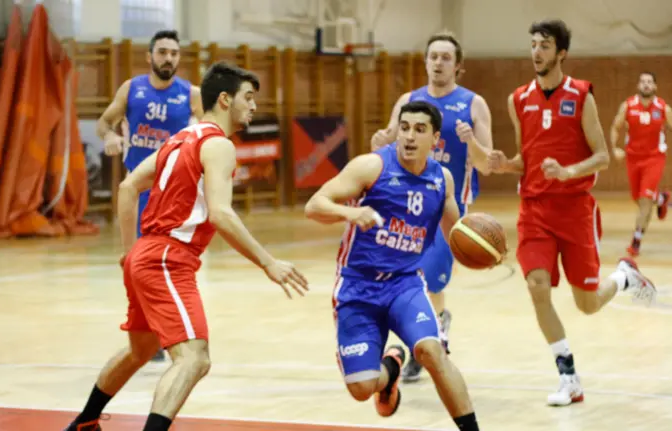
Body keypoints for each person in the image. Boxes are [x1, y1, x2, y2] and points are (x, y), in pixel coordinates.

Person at [64, 61, 309, 431]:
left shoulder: (178, 139)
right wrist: (268, 262)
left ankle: (84, 424)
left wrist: (128, 251)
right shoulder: (219, 145)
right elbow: (221, 215)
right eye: (248, 97)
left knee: (141, 350)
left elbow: (128, 188)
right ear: (225, 100)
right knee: (194, 358)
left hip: (146, 255)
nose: (254, 106)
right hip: (167, 258)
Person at [486, 20, 658, 407]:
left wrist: (568, 172)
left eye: (544, 45)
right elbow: (526, 160)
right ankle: (569, 377)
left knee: (588, 304)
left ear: (561, 52)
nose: (536, 52)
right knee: (537, 287)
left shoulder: (581, 95)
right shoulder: (518, 99)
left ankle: (624, 278)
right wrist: (504, 164)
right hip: (534, 210)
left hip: (574, 210)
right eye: (532, 44)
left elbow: (603, 155)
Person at [305, 101, 480, 430]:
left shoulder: (442, 180)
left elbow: (458, 235)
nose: (410, 136)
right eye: (404, 127)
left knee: (432, 351)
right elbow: (314, 205)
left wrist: (483, 249)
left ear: (435, 139)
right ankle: (389, 372)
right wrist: (350, 213)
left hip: (405, 285)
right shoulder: (371, 167)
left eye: (420, 129)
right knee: (361, 389)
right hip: (357, 287)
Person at [370, 31, 494, 382]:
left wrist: (473, 144)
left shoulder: (473, 104)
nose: (438, 62)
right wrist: (379, 141)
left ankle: (429, 335)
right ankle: (422, 344)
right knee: (404, 278)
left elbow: (487, 164)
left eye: (445, 57)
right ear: (426, 61)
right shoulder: (409, 100)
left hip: (447, 207)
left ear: (458, 66)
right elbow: (388, 145)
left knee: (429, 280)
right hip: (406, 205)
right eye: (433, 56)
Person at [97, 29, 205, 362]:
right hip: (137, 188)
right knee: (133, 262)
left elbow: (206, 134)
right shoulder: (132, 89)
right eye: (162, 52)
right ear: (150, 56)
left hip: (172, 191)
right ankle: (146, 333)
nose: (168, 58)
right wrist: (110, 136)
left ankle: (163, 333)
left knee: (163, 264)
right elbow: (104, 122)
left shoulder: (191, 94)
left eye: (174, 53)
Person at [609, 71, 672, 256]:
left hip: (654, 158)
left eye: (649, 82)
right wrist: (614, 148)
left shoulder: (663, 108)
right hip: (633, 158)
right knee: (638, 198)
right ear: (638, 85)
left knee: (644, 200)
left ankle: (636, 240)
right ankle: (661, 199)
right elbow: (615, 127)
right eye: (642, 81)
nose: (646, 85)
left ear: (655, 87)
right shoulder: (628, 106)